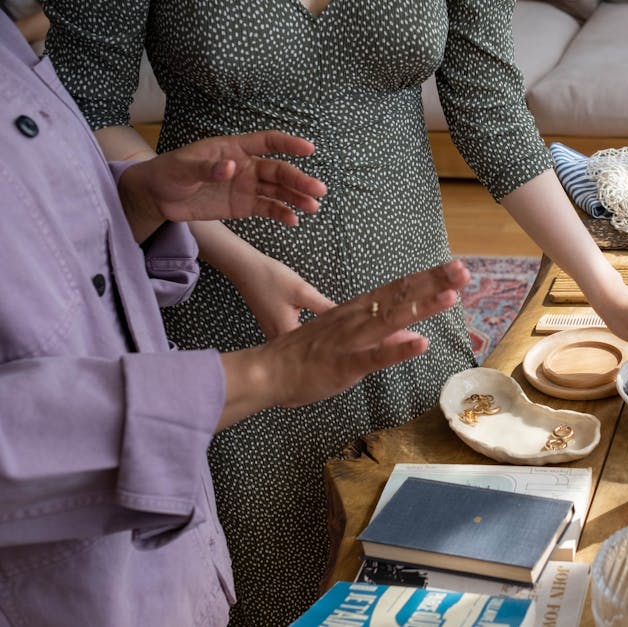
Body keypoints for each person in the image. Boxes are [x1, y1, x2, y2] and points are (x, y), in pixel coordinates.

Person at [42, 1, 628, 623]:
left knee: (446, 585)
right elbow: (81, 114)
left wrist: (605, 290)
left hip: (412, 315)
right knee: (274, 589)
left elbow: (489, 105)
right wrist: (242, 262)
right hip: (231, 324)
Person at [0, 13, 471, 625]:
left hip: (152, 546)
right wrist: (262, 375)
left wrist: (140, 200)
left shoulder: (16, 55)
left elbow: (63, 259)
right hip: (62, 570)